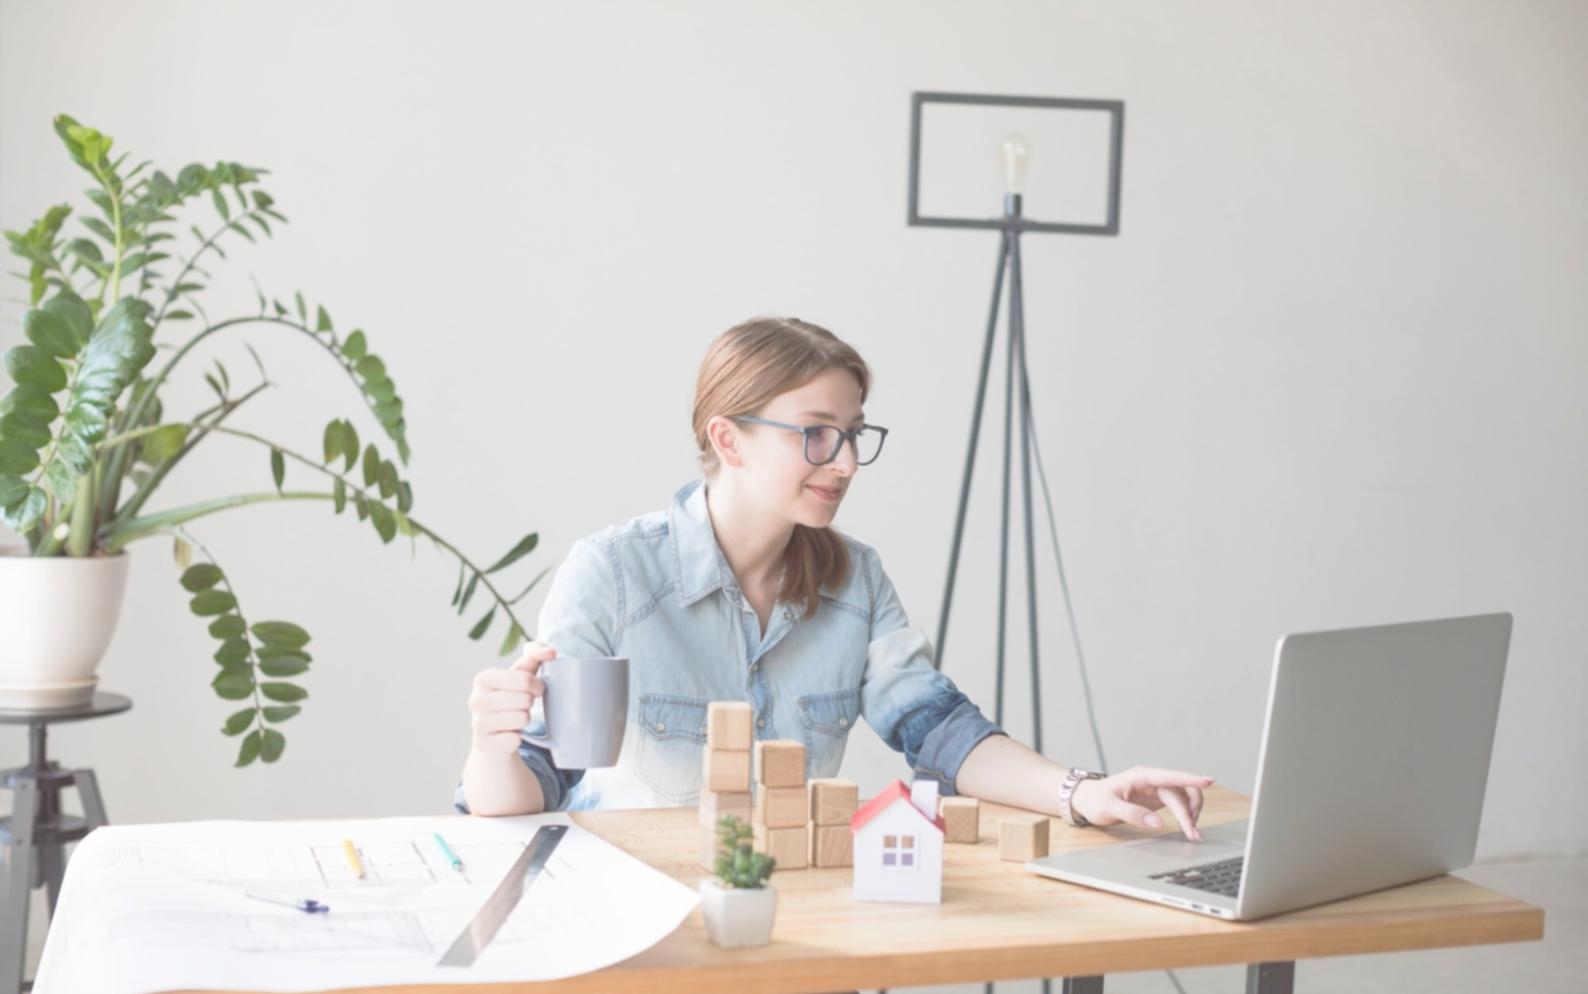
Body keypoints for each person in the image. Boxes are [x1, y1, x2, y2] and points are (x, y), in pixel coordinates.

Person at [455, 317, 1213, 839]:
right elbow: (529, 789)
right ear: (729, 438)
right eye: (817, 434)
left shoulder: (855, 580)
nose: (845, 462)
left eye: (852, 436)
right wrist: (493, 747)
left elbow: (942, 733)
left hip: (791, 932)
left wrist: (1083, 793)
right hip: (642, 938)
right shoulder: (614, 574)